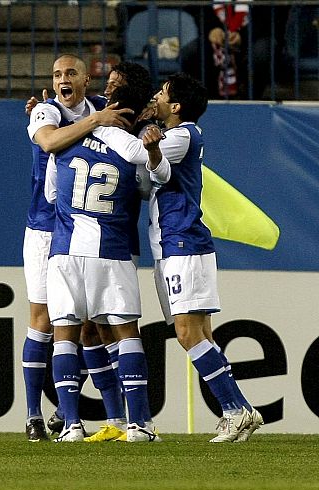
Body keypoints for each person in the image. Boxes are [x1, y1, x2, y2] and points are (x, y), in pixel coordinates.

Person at [139, 73, 262, 441]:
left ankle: (235, 410)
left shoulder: (181, 135)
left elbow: (152, 166)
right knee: (202, 333)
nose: (156, 97)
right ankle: (240, 410)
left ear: (176, 106)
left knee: (188, 333)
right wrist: (151, 145)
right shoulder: (179, 135)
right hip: (183, 243)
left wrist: (140, 140)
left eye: (162, 93)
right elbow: (159, 171)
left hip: (182, 243)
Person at [46, 83, 168, 442]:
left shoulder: (66, 139)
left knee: (64, 336)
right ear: (136, 114)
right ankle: (139, 425)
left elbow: (52, 193)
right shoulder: (133, 152)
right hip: (112, 250)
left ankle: (71, 425)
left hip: (65, 250)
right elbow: (148, 188)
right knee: (127, 333)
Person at [23, 54, 133, 442]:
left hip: (86, 230)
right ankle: (34, 415)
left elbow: (135, 118)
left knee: (92, 325)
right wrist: (96, 121)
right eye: (56, 74)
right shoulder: (46, 112)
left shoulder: (100, 108)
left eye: (70, 73)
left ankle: (109, 417)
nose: (62, 79)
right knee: (45, 321)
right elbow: (49, 141)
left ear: (87, 80)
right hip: (46, 229)